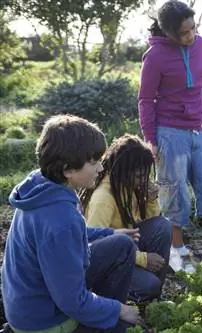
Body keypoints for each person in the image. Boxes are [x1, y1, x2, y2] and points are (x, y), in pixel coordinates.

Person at [1, 115, 139, 333]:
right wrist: (119, 310)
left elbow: (72, 235)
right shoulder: (60, 221)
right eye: (93, 162)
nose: (101, 168)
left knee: (121, 244)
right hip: (44, 323)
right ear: (67, 169)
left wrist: (108, 232)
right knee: (122, 324)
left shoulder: (41, 185)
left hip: (27, 303)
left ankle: (103, 314)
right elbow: (72, 302)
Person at [138, 0, 202, 272]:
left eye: (193, 28)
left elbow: (200, 82)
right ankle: (178, 251)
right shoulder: (154, 57)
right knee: (175, 194)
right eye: (184, 32)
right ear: (170, 33)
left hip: (195, 130)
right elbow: (145, 100)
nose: (191, 35)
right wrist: (151, 139)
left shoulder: (199, 45)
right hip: (169, 132)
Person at [80, 134, 172, 302]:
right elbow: (93, 247)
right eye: (139, 177)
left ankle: (153, 297)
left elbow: (149, 223)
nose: (143, 180)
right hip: (111, 261)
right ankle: (120, 296)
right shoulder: (103, 199)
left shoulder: (128, 185)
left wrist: (151, 200)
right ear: (122, 170)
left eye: (145, 175)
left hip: (129, 245)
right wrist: (144, 259)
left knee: (162, 226)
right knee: (149, 285)